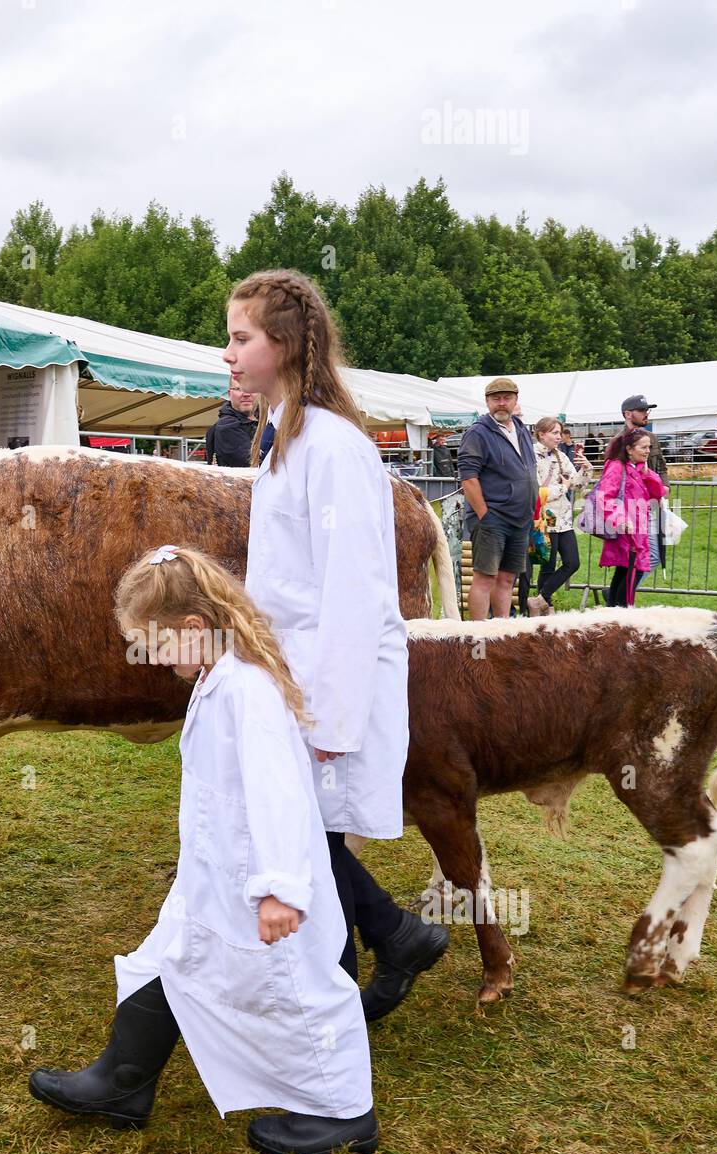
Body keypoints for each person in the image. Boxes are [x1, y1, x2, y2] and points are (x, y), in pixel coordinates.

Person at [29, 544, 376, 1154]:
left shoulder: (246, 692)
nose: (157, 662)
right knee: (168, 953)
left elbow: (279, 795)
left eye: (160, 648)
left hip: (259, 883)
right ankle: (123, 1080)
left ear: (194, 628)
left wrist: (280, 889)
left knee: (298, 988)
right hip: (215, 869)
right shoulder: (219, 678)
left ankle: (345, 1111)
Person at [223, 268, 449, 1023]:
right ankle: (386, 940)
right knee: (300, 840)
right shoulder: (286, 436)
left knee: (301, 843)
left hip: (326, 686)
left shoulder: (332, 447)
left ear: (282, 344)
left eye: (240, 337)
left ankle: (355, 977)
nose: (227, 353)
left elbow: (353, 595)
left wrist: (329, 720)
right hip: (294, 679)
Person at [457, 378, 539, 619]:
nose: (501, 404)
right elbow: (469, 478)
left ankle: (502, 636)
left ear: (516, 400)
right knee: (484, 578)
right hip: (493, 518)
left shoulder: (522, 429)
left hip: (519, 519)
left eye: (506, 398)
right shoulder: (477, 433)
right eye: (496, 399)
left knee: (507, 579)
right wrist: (485, 515)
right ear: (487, 402)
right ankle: (479, 638)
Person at [595, 428, 668, 607]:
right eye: (643, 447)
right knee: (631, 570)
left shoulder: (638, 468)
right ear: (629, 449)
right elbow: (605, 496)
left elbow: (658, 492)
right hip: (625, 528)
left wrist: (648, 474)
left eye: (649, 447)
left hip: (637, 527)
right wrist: (619, 519)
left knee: (625, 571)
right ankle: (621, 612)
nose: (647, 451)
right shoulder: (616, 467)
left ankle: (613, 612)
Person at [529, 416, 585, 614]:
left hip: (564, 518)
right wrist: (563, 487)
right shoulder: (531, 456)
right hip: (545, 518)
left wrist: (586, 469)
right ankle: (547, 605)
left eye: (560, 433)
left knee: (572, 562)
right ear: (541, 434)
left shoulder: (561, 456)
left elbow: (577, 483)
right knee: (548, 565)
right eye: (554, 433)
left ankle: (540, 599)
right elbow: (538, 492)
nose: (559, 437)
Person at [203, 381, 259, 467]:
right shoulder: (227, 426)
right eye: (238, 389)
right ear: (229, 393)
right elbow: (256, 464)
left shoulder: (266, 420)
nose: (246, 394)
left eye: (251, 388)